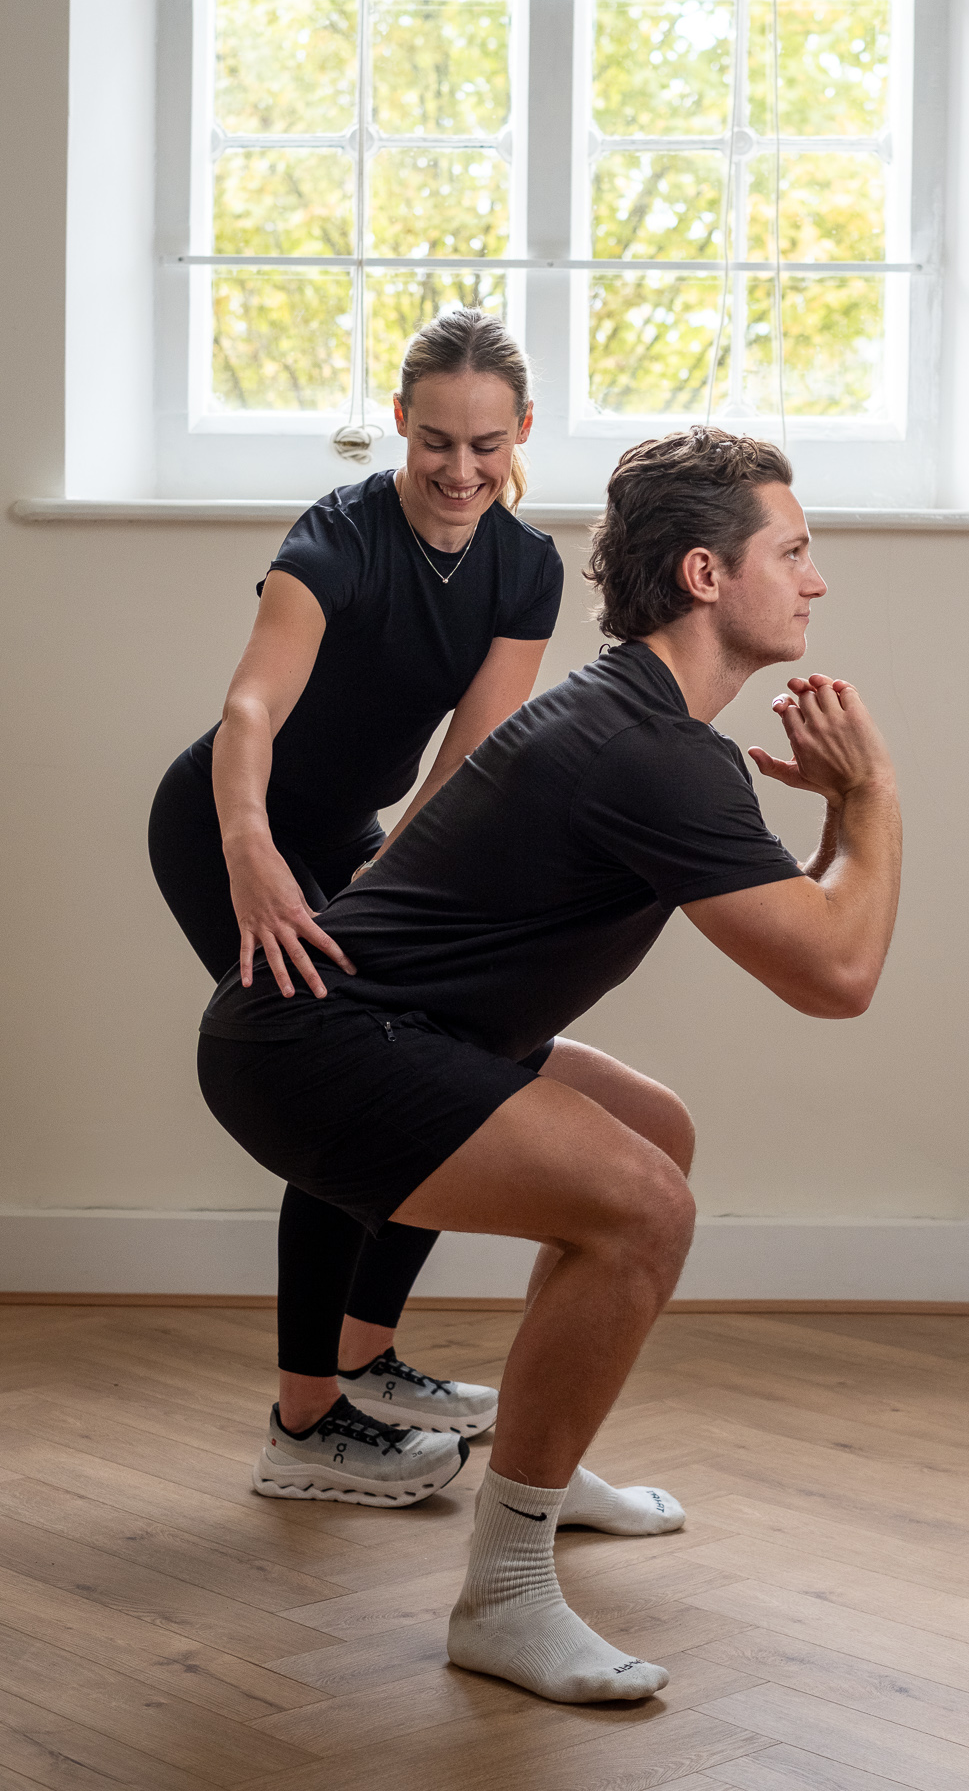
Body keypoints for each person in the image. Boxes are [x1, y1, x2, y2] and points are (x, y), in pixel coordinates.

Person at [196, 426, 902, 1702]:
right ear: (704, 572)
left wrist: (846, 818)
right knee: (644, 1208)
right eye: (793, 551)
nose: (815, 578)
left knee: (656, 1135)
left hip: (386, 1025)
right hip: (315, 1040)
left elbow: (807, 941)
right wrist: (877, 798)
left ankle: (542, 1456)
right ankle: (505, 1591)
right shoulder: (651, 748)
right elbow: (837, 978)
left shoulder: (643, 715)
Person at [150, 309, 562, 1497]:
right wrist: (248, 849)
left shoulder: (522, 568)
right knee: (342, 1074)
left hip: (355, 841)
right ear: (399, 422)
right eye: (435, 438)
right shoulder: (339, 536)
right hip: (222, 822)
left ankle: (365, 1355)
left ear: (521, 431)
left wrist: (390, 889)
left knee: (443, 1050)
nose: (459, 468)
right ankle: (303, 1422)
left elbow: (467, 763)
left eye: (486, 442)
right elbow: (248, 715)